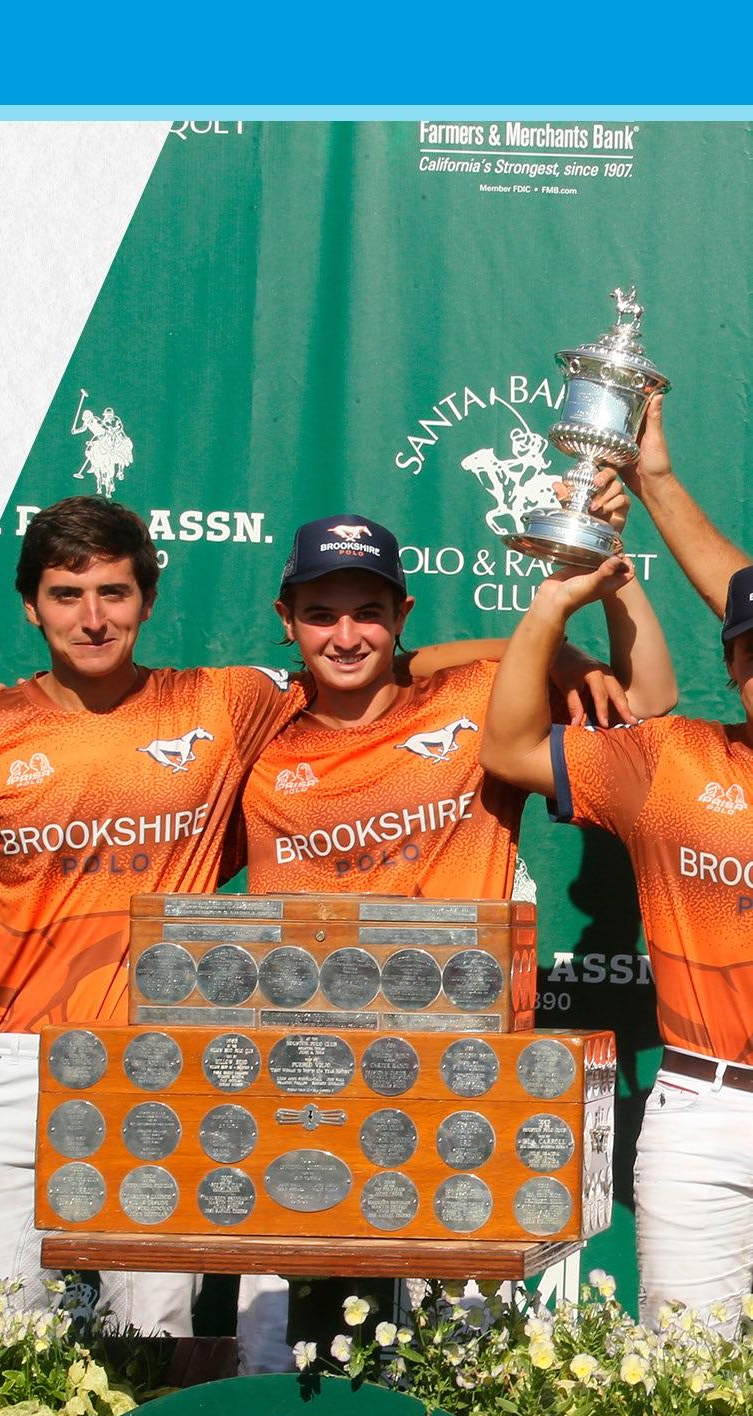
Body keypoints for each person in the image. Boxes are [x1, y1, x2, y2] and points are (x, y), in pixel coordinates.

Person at [0, 496, 486, 1350]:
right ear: (30, 606)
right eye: (66, 595)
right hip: (11, 1064)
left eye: (114, 593)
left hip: (153, 1064)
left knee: (151, 1341)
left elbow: (385, 664)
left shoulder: (224, 704)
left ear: (148, 600)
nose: (92, 618)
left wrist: (550, 652)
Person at [232, 502, 678, 1362]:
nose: (346, 636)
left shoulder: (478, 700)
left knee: (462, 1369)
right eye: (321, 614)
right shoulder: (253, 732)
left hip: (463, 1082)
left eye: (368, 612)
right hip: (306, 1090)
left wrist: (603, 577)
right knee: (291, 1366)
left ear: (402, 615)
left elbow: (648, 705)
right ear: (286, 621)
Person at [480, 422, 753, 1336]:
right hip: (705, 1114)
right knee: (684, 1381)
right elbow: (510, 748)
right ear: (732, 663)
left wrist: (657, 481)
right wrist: (559, 602)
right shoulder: (674, 762)